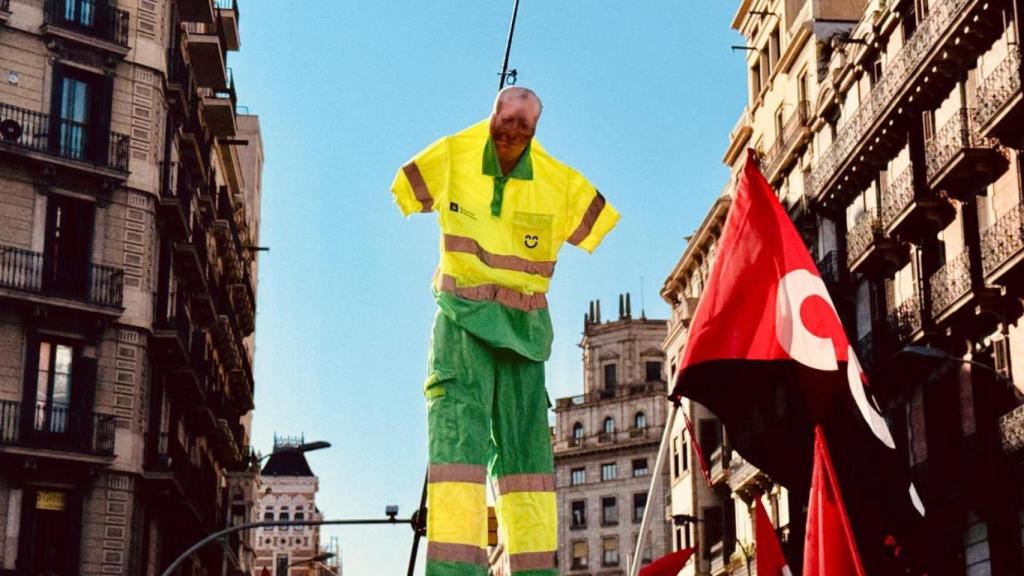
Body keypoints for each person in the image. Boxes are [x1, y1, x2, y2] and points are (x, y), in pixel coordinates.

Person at [392, 87, 619, 576]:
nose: (514, 129)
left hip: (523, 334)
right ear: (492, 114)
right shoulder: (454, 154)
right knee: (459, 457)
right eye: (508, 118)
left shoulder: (558, 183)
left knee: (527, 465)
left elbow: (598, 221)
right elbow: (404, 188)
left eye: (524, 122)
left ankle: (533, 570)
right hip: (461, 324)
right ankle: (456, 570)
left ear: (535, 128)